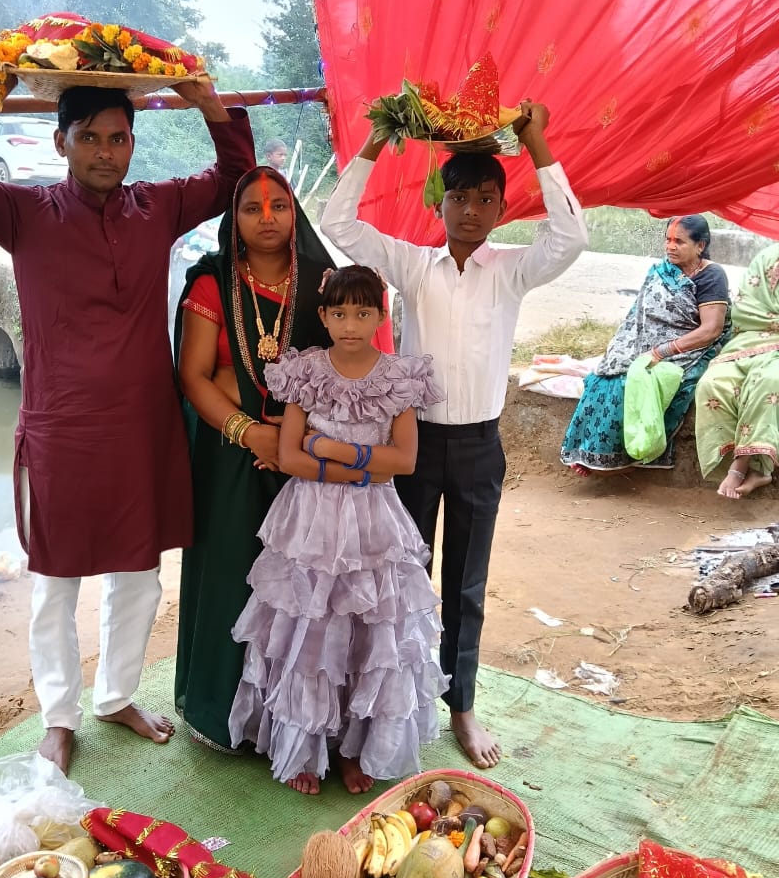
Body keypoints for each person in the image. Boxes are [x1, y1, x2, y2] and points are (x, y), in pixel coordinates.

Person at [0, 74, 255, 774]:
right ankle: (59, 717)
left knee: (140, 577)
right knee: (55, 584)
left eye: (118, 138)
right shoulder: (24, 212)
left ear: (133, 143)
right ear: (59, 141)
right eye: (89, 137)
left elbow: (234, 181)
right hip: (60, 428)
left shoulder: (156, 207)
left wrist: (208, 104)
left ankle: (116, 695)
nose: (105, 152)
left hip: (143, 427)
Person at [320, 101, 586, 769]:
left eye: (485, 199)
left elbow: (571, 237)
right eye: (459, 198)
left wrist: (537, 143)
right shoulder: (412, 266)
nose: (471, 211)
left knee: (466, 585)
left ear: (501, 208)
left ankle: (461, 705)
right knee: (404, 577)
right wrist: (377, 140)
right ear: (439, 202)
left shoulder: (513, 271)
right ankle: (395, 705)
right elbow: (337, 222)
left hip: (479, 447)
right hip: (412, 447)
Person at [227, 264, 447, 794]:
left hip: (374, 523)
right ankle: (306, 749)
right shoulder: (304, 372)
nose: (351, 324)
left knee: (370, 632)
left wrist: (330, 449)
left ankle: (354, 750)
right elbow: (289, 457)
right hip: (311, 521)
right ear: (324, 316)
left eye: (363, 313)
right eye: (340, 313)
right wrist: (356, 469)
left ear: (380, 317)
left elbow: (405, 461)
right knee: (312, 629)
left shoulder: (398, 378)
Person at [174, 165, 334, 751]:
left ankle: (297, 722)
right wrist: (252, 434)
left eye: (279, 206)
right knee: (231, 578)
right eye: (252, 208)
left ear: (295, 214)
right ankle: (224, 716)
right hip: (232, 458)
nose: (267, 218)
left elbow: (348, 367)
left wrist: (295, 441)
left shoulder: (324, 284)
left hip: (307, 460)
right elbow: (194, 375)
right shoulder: (211, 283)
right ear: (234, 220)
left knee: (301, 587)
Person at [561, 215, 730, 474]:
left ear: (700, 245)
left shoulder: (712, 275)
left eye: (679, 241)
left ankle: (630, 455)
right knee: (603, 376)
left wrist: (662, 351)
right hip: (646, 345)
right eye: (668, 240)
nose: (670, 246)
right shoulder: (663, 272)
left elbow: (711, 329)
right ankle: (589, 451)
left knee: (632, 382)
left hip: (692, 346)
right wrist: (623, 348)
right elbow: (639, 319)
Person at [695, 242, 779, 498]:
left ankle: (745, 467)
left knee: (769, 380)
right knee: (712, 382)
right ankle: (741, 461)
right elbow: (747, 308)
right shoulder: (769, 257)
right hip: (754, 340)